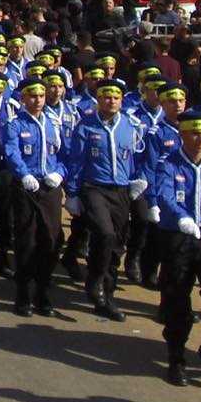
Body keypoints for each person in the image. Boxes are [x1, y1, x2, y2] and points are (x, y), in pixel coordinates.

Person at [151, 117, 201, 386]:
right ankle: (176, 358)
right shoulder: (168, 163)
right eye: (194, 134)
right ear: (182, 135)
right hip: (178, 236)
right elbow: (164, 194)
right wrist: (181, 218)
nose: (200, 139)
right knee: (176, 301)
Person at [63, 80, 147, 321]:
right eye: (106, 97)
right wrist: (72, 193)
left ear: (122, 100)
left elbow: (138, 157)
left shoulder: (131, 125)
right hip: (94, 188)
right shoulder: (85, 126)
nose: (111, 101)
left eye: (116, 97)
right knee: (104, 233)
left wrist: (138, 180)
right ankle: (95, 278)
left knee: (117, 243)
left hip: (121, 191)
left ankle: (107, 296)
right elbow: (76, 161)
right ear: (98, 99)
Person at [4, 78, 66, 316]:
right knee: (27, 240)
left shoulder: (54, 122)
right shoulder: (15, 124)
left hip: (49, 188)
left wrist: (59, 173)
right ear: (23, 98)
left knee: (51, 239)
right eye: (32, 96)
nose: (38, 100)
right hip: (26, 187)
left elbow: (64, 153)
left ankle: (43, 291)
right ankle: (23, 293)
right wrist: (24, 174)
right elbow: (11, 151)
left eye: (41, 95)